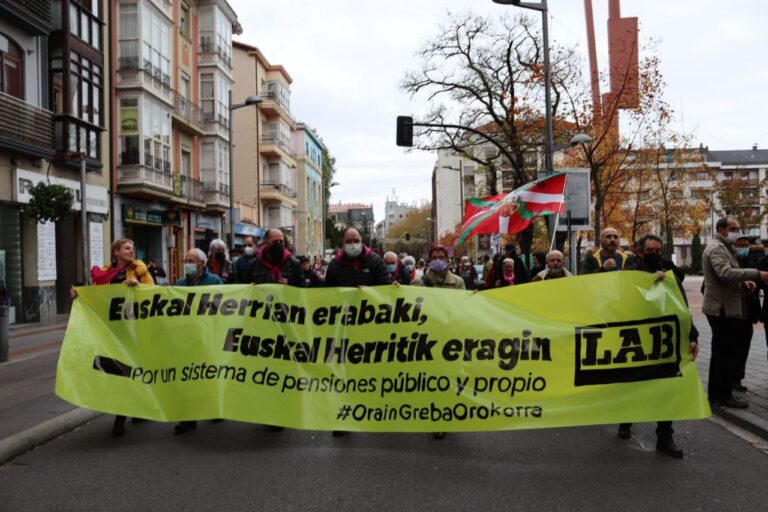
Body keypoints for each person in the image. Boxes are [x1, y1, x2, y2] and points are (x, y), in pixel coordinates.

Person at [616, 233, 700, 458]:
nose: (654, 255)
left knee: (667, 385)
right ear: (639, 252)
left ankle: (665, 436)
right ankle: (626, 420)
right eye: (649, 251)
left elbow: (681, 306)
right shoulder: (629, 273)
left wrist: (693, 336)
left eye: (657, 251)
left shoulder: (669, 273)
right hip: (635, 338)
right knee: (633, 383)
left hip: (663, 339)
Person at [76, 239, 154, 437]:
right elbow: (96, 294)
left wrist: (138, 287)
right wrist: (78, 294)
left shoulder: (139, 271)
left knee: (130, 369)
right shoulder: (105, 272)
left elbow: (154, 294)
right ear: (116, 251)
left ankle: (124, 415)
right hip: (112, 330)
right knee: (118, 370)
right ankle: (132, 409)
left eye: (132, 248)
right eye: (127, 248)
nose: (131, 251)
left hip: (134, 329)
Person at [702, 217, 768, 409]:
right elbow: (725, 273)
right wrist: (757, 274)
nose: (737, 232)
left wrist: (742, 282)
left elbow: (728, 276)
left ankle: (716, 394)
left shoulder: (724, 247)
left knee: (721, 352)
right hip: (720, 308)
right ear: (721, 229)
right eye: (733, 228)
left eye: (738, 228)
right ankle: (722, 396)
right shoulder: (717, 248)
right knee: (724, 353)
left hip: (724, 306)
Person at [173, 249, 225, 435]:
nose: (187, 263)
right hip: (187, 338)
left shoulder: (214, 281)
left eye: (191, 260)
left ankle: (215, 408)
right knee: (187, 377)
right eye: (185, 260)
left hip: (209, 336)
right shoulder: (179, 284)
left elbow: (224, 307)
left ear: (202, 263)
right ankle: (188, 418)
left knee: (210, 374)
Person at [730, 235, 762, 393]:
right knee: (732, 348)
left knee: (743, 347)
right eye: (741, 245)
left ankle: (737, 379)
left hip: (747, 313)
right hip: (732, 314)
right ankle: (729, 379)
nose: (744, 248)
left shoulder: (752, 262)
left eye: (746, 245)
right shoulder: (729, 264)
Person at [324, 227, 391, 287]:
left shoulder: (375, 261)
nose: (353, 244)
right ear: (343, 242)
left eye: (356, 241)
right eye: (349, 241)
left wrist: (371, 292)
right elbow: (328, 289)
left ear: (361, 241)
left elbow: (386, 287)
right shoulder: (334, 264)